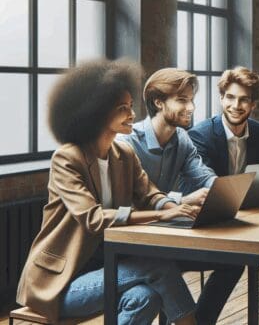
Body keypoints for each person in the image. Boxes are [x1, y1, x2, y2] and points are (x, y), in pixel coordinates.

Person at [16, 60, 199, 324]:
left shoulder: (123, 153)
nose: (132, 114)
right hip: (61, 283)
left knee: (146, 297)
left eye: (130, 106)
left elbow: (150, 195)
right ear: (97, 113)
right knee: (157, 266)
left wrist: (177, 210)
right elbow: (94, 219)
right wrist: (160, 217)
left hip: (107, 268)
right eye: (122, 108)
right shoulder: (67, 158)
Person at [118, 68, 242, 325]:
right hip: (133, 246)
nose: (191, 107)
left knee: (233, 261)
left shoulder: (181, 139)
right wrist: (182, 201)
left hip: (166, 241)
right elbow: (130, 202)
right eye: (182, 100)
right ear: (159, 102)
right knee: (162, 266)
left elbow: (203, 175)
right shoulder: (128, 142)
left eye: (191, 100)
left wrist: (226, 191)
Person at [188, 67, 259, 325]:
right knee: (234, 261)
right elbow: (209, 186)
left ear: (253, 104)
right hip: (212, 219)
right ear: (221, 99)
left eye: (244, 99)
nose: (236, 105)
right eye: (231, 98)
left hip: (248, 217)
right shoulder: (200, 135)